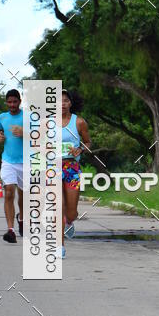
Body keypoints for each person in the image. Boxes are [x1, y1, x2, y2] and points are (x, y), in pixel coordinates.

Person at [61, 89, 91, 259]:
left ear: (70, 103)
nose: (62, 104)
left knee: (71, 211)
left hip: (72, 168)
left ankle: (69, 221)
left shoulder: (79, 122)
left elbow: (87, 142)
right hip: (53, 168)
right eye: (59, 100)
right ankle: (60, 246)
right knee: (57, 207)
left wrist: (80, 149)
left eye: (66, 100)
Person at [0, 89, 23, 244]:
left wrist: (24, 132)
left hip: (26, 162)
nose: (12, 105)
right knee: (9, 192)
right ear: (6, 102)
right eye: (9, 102)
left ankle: (22, 218)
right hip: (8, 161)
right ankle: (10, 230)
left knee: (23, 196)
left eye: (15, 101)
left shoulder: (28, 117)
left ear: (19, 101)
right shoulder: (2, 117)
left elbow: (39, 135)